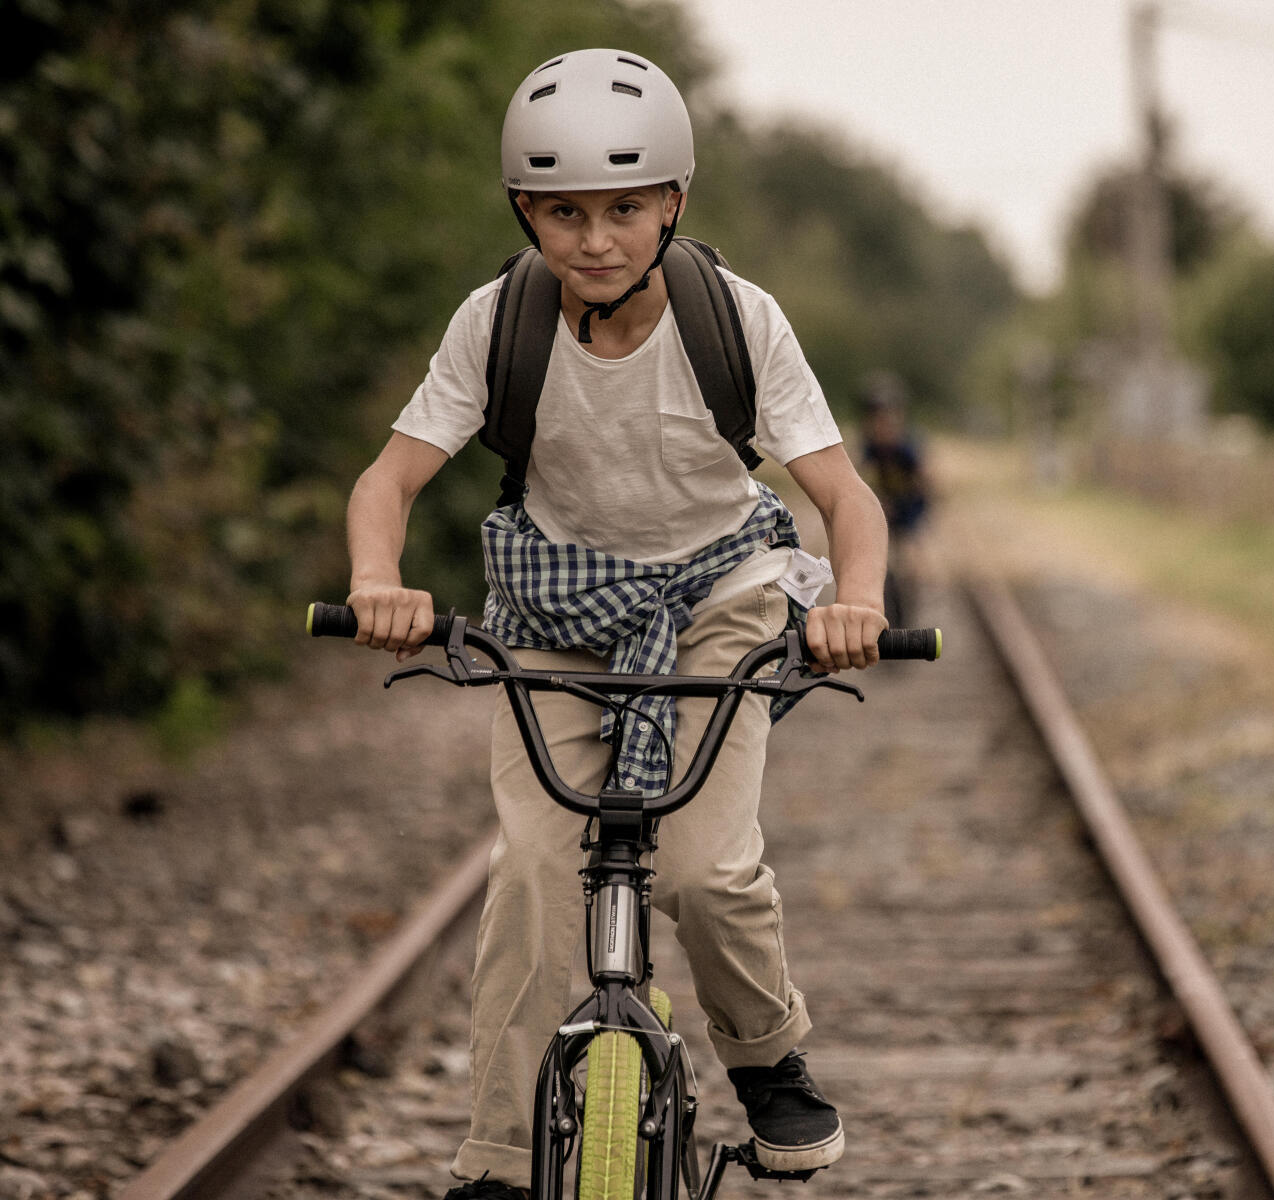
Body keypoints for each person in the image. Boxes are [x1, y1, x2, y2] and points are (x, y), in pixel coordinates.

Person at [342, 49, 889, 1200]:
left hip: (723, 595)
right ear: (525, 212)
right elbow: (387, 483)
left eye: (625, 209)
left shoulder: (735, 321)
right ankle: (497, 1164)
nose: (596, 239)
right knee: (537, 876)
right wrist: (377, 579)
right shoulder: (497, 324)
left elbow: (845, 498)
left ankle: (768, 1056)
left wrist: (857, 605)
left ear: (675, 203)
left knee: (698, 867)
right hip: (554, 606)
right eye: (565, 212)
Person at [857, 374, 931, 627]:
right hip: (884, 507)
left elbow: (924, 479)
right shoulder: (870, 446)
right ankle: (886, 605)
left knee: (910, 561)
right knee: (882, 562)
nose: (883, 425)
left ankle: (910, 599)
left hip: (908, 508)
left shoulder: (908, 446)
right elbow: (861, 476)